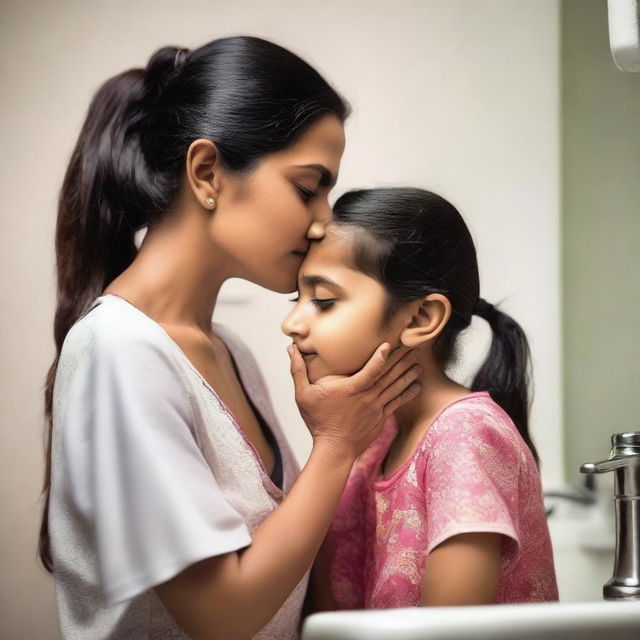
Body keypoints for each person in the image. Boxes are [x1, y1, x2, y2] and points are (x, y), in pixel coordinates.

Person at [40, 37, 422, 639]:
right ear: (207, 172)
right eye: (307, 187)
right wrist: (337, 445)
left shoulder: (229, 353)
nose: (324, 220)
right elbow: (221, 615)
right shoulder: (121, 351)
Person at [282, 187, 559, 610]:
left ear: (420, 318)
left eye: (324, 301)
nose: (291, 323)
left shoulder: (464, 435)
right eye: (296, 298)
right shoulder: (372, 435)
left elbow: (449, 633)